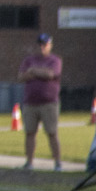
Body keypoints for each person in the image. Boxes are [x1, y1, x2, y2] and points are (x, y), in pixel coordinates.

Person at [19, 32, 63, 172]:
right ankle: (29, 162)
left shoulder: (54, 60)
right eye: (40, 44)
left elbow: (51, 74)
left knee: (51, 132)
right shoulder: (29, 60)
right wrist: (38, 73)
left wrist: (34, 71)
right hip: (30, 102)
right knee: (30, 132)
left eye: (45, 44)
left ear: (50, 45)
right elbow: (21, 76)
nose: (42, 47)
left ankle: (57, 162)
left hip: (49, 103)